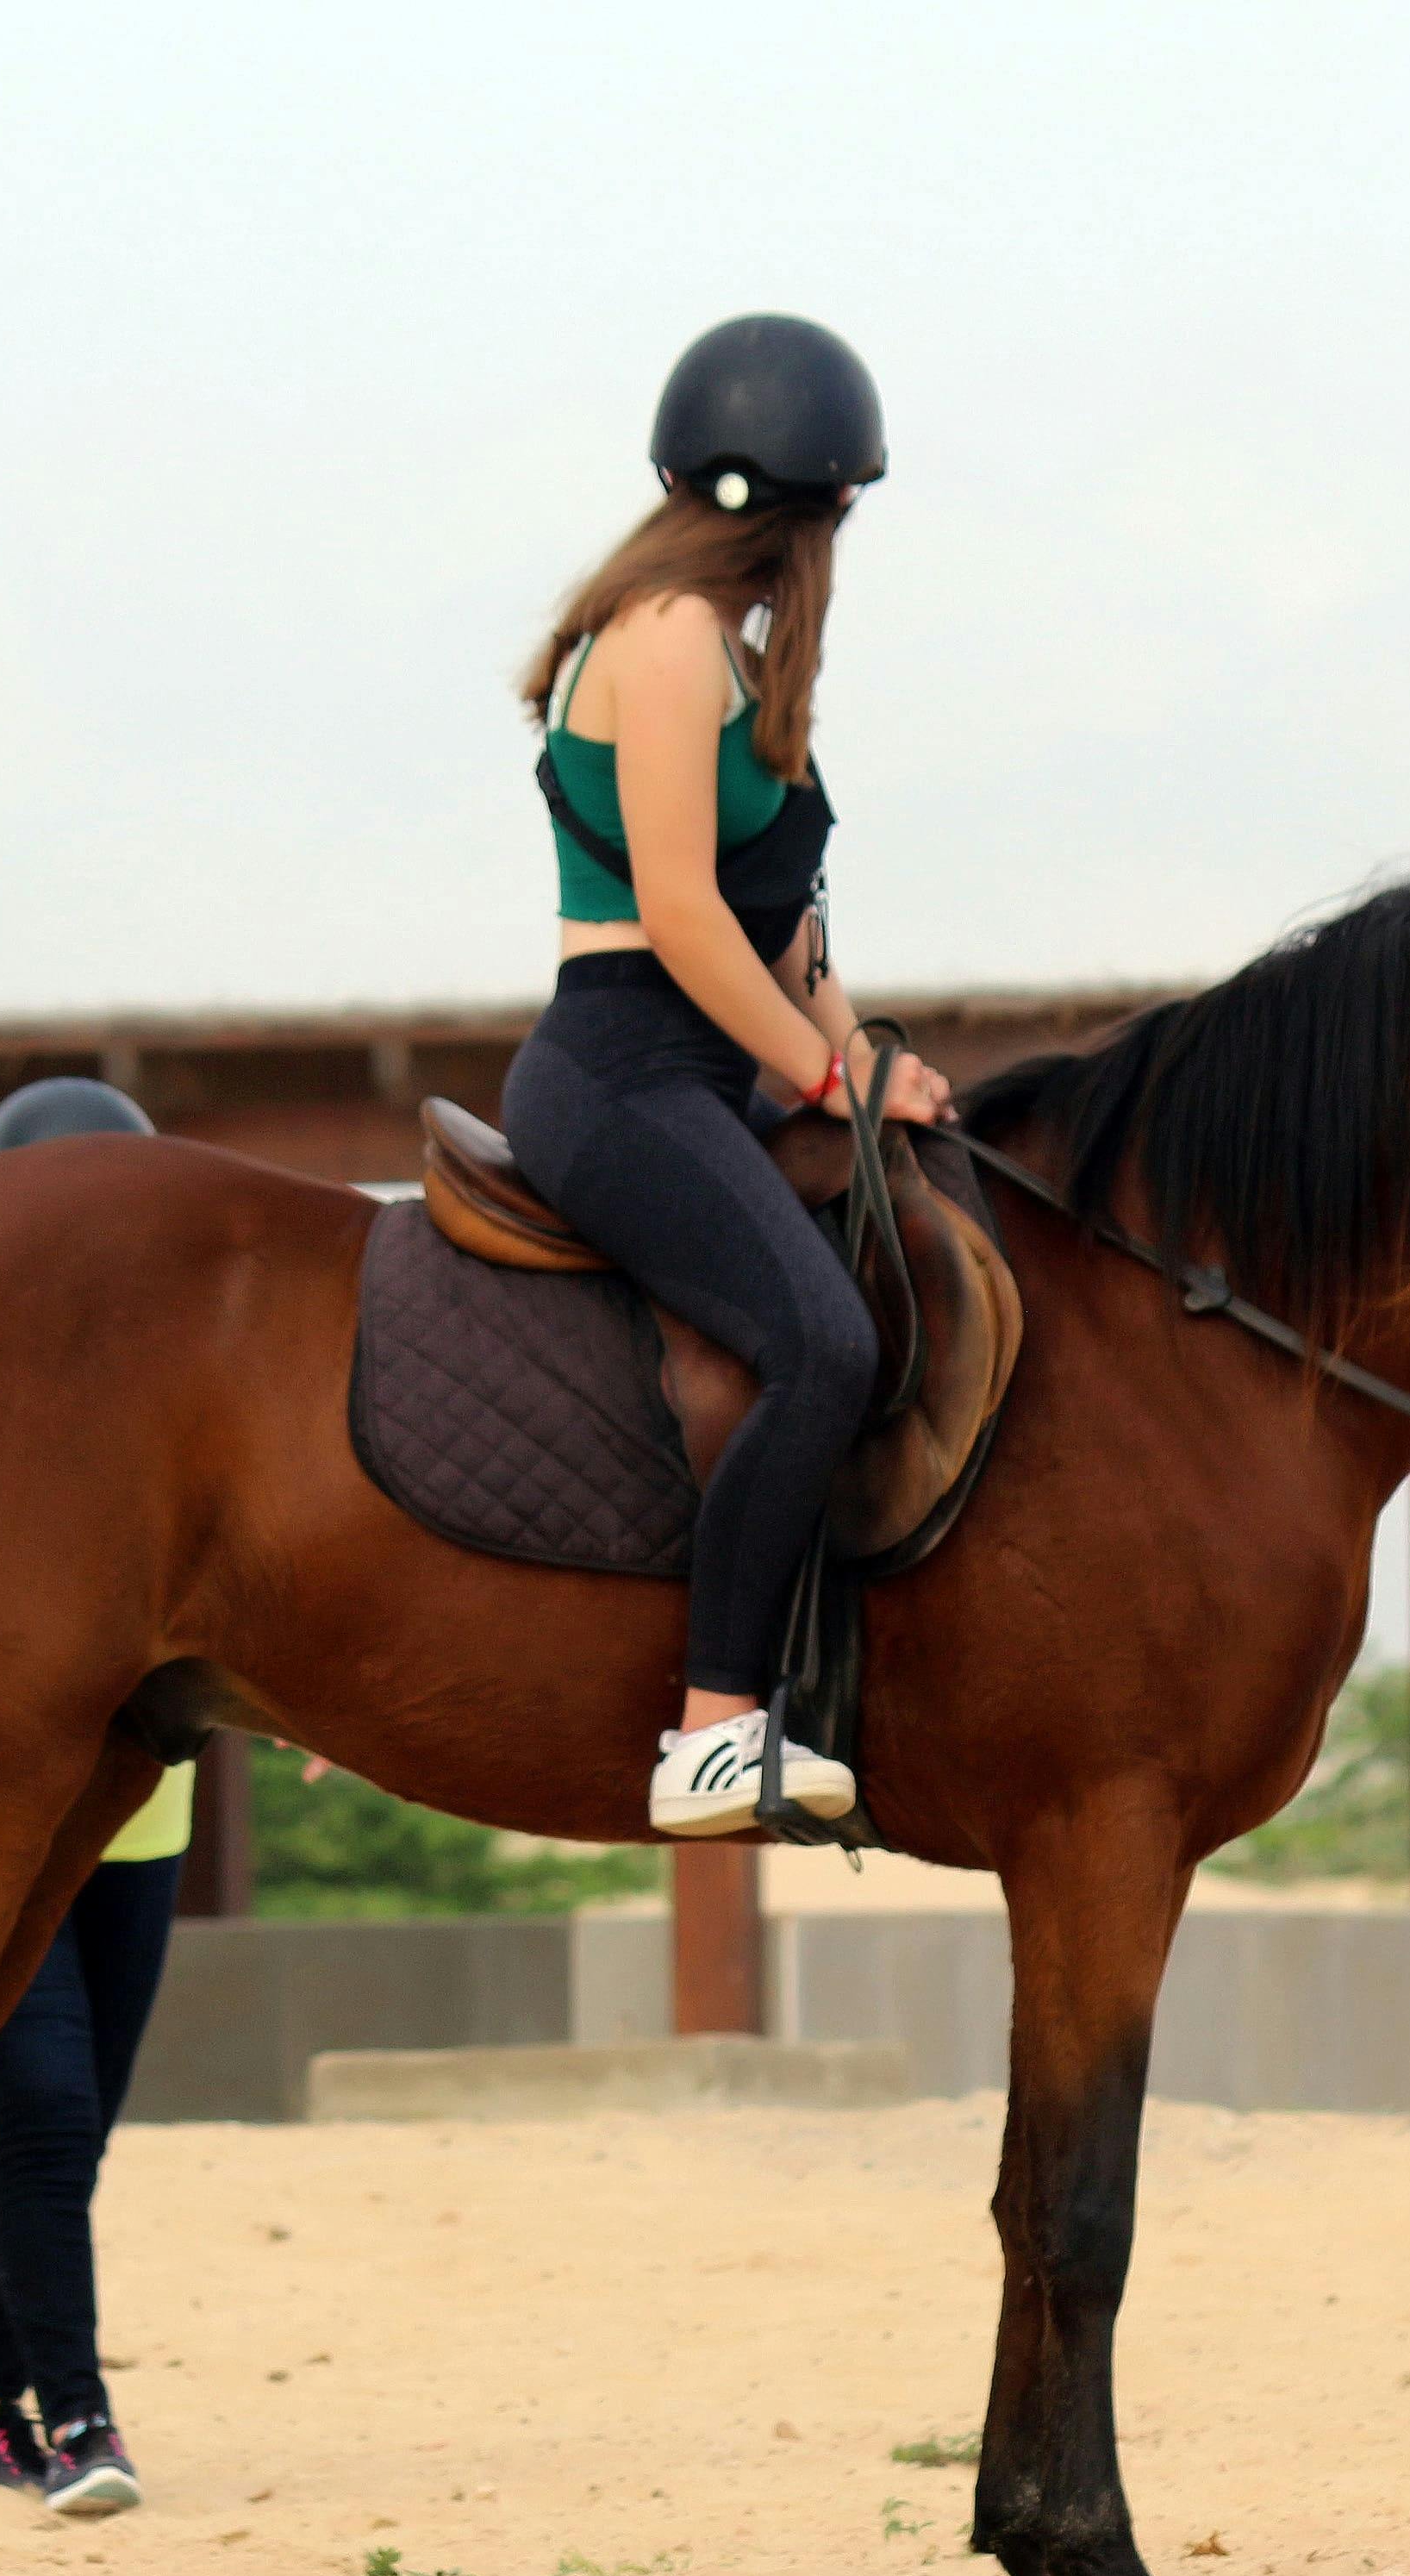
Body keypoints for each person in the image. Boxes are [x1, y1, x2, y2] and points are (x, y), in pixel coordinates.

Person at [502, 312, 954, 1838]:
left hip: (719, 1063)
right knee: (819, 1347)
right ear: (807, 508)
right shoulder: (661, 643)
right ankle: (709, 1729)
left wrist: (875, 1067)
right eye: (839, 516)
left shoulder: (743, 658)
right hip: (622, 1066)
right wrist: (820, 1087)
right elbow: (686, 920)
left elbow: (791, 950)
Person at [0, 1072, 184, 2514]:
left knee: (69, 2131)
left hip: (144, 1818)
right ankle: (78, 2421)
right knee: (42, 2110)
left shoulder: (169, 1403)